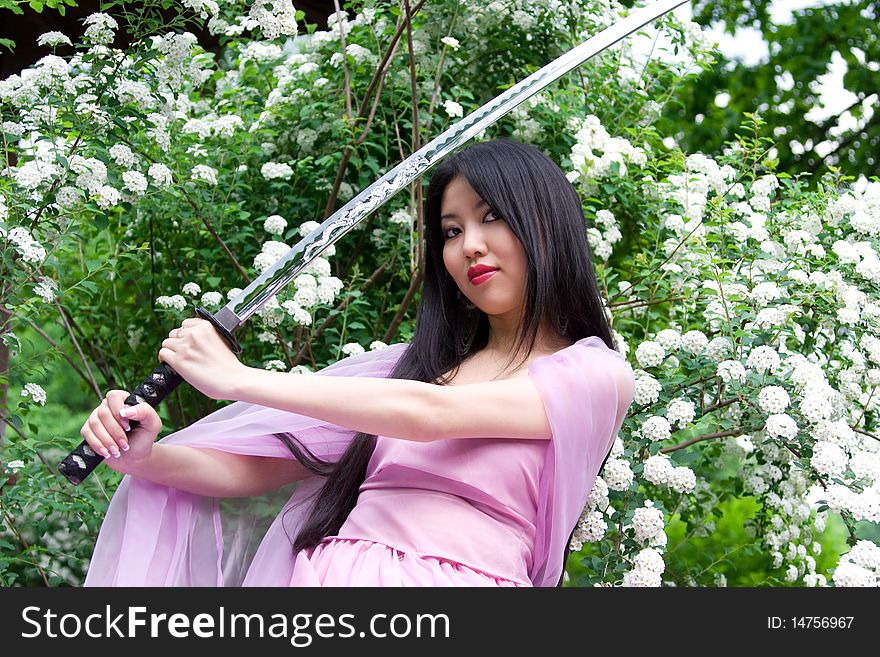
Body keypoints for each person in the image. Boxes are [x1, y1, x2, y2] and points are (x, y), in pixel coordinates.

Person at [79, 139, 635, 587]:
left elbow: (431, 415)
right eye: (451, 230)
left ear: (546, 223)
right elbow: (251, 471)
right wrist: (146, 456)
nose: (469, 245)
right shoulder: (411, 371)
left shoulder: (594, 376)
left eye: (491, 217)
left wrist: (237, 380)